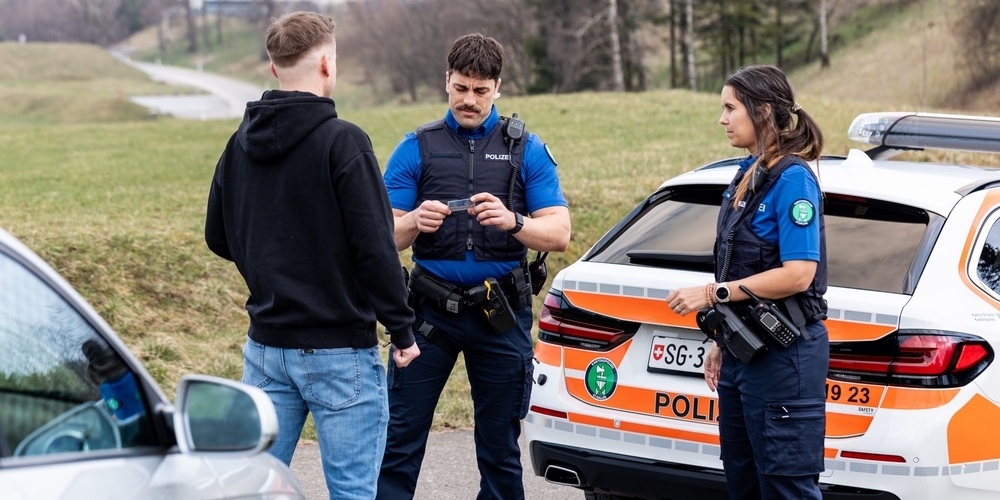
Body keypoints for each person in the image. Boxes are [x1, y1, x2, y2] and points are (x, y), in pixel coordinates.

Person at [204, 11, 419, 500]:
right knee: (351, 491)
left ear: (275, 68)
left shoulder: (237, 146)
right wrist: (402, 330)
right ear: (327, 64)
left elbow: (218, 237)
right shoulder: (345, 142)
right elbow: (375, 247)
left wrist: (268, 263)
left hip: (265, 350)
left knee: (253, 490)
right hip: (340, 352)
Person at [377, 33, 571, 500]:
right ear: (447, 80)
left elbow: (560, 233)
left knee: (500, 450)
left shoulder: (527, 149)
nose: (469, 100)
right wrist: (413, 223)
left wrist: (514, 221)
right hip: (428, 315)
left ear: (498, 88)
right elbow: (378, 239)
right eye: (461, 87)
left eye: (481, 91)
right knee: (398, 442)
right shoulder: (416, 147)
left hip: (499, 314)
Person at [665, 64, 829, 500]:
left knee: (784, 487)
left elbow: (799, 274)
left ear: (764, 111)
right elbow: (739, 267)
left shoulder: (793, 181)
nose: (722, 119)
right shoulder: (747, 175)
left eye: (730, 108)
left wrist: (710, 294)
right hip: (744, 354)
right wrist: (722, 338)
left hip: (785, 359)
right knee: (743, 482)